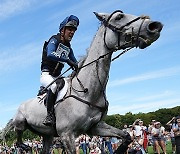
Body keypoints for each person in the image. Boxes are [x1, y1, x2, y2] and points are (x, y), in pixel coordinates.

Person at [40, 15, 79, 126]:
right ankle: (49, 116)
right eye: (70, 29)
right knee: (53, 86)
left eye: (74, 31)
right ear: (63, 30)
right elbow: (50, 53)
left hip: (58, 77)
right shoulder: (54, 39)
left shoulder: (68, 47)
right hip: (47, 75)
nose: (72, 33)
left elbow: (75, 63)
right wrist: (67, 60)